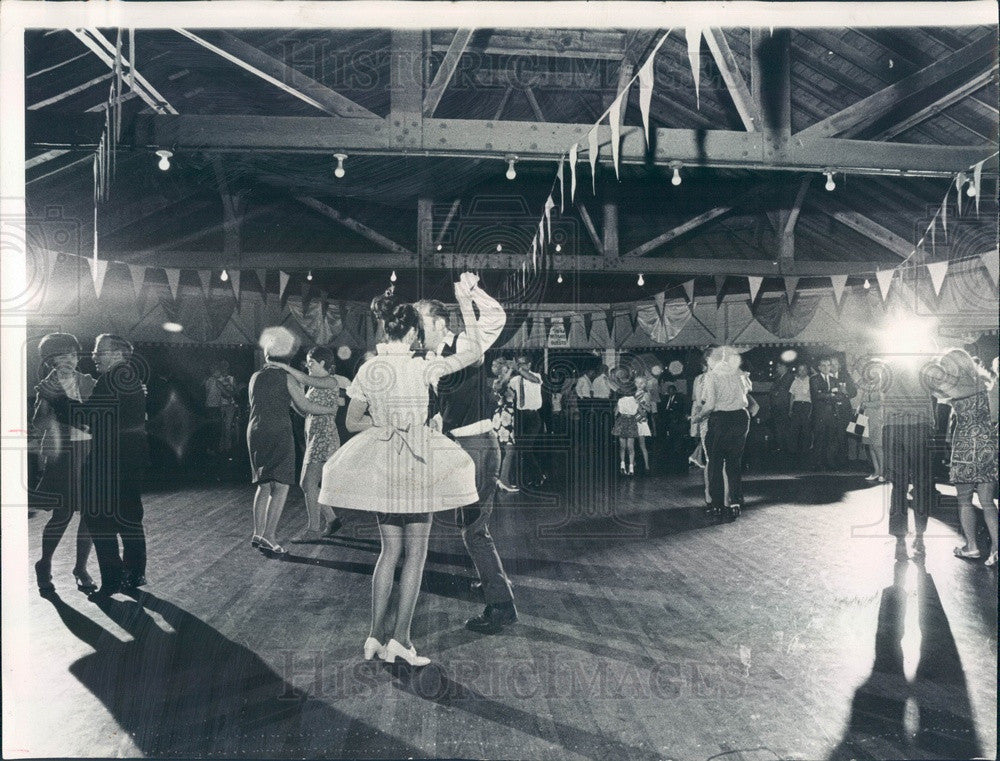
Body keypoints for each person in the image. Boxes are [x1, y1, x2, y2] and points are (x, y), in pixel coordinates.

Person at [316, 276, 490, 664]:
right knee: (416, 553)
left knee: (388, 551)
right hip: (417, 462)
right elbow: (476, 350)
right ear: (412, 332)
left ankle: (374, 637)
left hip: (384, 465)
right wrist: (464, 300)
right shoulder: (424, 366)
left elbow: (352, 422)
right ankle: (402, 640)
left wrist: (385, 426)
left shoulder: (368, 369)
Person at [415, 277, 516, 636]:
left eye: (422, 323)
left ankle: (501, 605)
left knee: (473, 531)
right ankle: (492, 582)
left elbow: (496, 318)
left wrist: (470, 296)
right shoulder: (431, 358)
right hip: (463, 448)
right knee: (470, 527)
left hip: (477, 447)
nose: (416, 330)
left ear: (441, 323)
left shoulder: (462, 341)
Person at [246, 340, 338, 557]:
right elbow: (304, 407)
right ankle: (269, 536)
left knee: (264, 484)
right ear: (287, 358)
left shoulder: (254, 377)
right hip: (278, 431)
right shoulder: (287, 377)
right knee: (281, 486)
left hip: (255, 430)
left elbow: (295, 407)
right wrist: (329, 409)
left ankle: (258, 534)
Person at [80, 334, 149, 596]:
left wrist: (60, 401)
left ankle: (112, 580)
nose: (94, 356)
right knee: (130, 519)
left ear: (118, 353)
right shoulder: (129, 377)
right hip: (130, 460)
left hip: (108, 461)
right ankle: (133, 576)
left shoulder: (111, 379)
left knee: (97, 519)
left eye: (99, 351)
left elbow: (88, 417)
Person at [29, 333, 97, 595]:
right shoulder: (46, 386)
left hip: (91, 450)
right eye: (61, 355)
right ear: (50, 361)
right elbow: (38, 424)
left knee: (90, 513)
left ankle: (81, 568)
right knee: (63, 513)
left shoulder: (88, 381)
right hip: (64, 454)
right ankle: (44, 564)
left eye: (71, 353)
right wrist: (49, 400)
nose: (68, 359)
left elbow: (101, 412)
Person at [930, 349, 998, 567]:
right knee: (988, 502)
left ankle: (972, 546)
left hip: (966, 446)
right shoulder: (986, 381)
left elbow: (933, 387)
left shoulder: (954, 386)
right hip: (987, 443)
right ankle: (997, 547)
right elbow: (995, 415)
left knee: (964, 500)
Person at [881, 355, 937, 560]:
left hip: (893, 427)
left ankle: (899, 539)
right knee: (921, 484)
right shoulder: (925, 365)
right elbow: (935, 392)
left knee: (899, 484)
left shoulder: (887, 366)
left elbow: (882, 395)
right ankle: (920, 537)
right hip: (919, 426)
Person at [692, 346, 756, 521]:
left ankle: (717, 506)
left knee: (715, 463)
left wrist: (698, 417)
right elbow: (748, 392)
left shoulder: (712, 376)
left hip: (721, 420)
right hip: (741, 418)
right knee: (734, 463)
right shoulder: (738, 373)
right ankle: (735, 503)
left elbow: (710, 404)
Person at [292, 346, 343, 541]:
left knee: (308, 483)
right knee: (309, 484)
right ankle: (331, 520)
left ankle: (313, 530)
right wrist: (293, 400)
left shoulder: (329, 381)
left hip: (324, 438)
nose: (308, 366)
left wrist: (288, 372)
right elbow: (306, 410)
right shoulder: (315, 385)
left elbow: (304, 380)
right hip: (316, 437)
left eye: (311, 363)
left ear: (323, 363)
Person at [810, 357, 855, 470]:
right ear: (819, 367)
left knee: (831, 439)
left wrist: (827, 395)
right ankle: (817, 463)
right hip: (820, 414)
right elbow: (816, 395)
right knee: (819, 439)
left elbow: (840, 395)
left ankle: (829, 462)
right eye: (823, 365)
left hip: (833, 414)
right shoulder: (814, 379)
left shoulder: (834, 380)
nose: (826, 368)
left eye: (828, 365)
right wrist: (830, 395)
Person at [509, 354, 546, 488]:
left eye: (522, 364)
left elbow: (534, 379)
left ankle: (538, 475)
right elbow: (507, 387)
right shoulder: (516, 379)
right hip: (520, 416)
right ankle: (527, 477)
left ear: (529, 365)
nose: (520, 366)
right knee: (520, 448)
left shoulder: (536, 376)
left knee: (526, 447)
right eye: (518, 364)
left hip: (533, 417)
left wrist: (517, 369)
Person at [491, 358, 519, 493]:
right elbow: (501, 386)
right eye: (507, 368)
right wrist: (512, 369)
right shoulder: (499, 382)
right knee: (509, 450)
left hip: (506, 418)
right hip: (504, 418)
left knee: (506, 450)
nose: (509, 370)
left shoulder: (505, 382)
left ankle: (501, 479)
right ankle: (503, 480)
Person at [858, 359, 888, 482]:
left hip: (877, 416)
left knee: (877, 445)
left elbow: (882, 402)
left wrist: (867, 404)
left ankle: (883, 473)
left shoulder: (883, 385)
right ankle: (876, 471)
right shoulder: (868, 385)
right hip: (866, 416)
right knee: (870, 445)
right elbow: (863, 400)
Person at [610, 368, 639, 475]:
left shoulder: (620, 400)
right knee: (631, 448)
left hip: (621, 421)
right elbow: (638, 412)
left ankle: (622, 465)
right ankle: (631, 468)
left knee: (622, 447)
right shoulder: (635, 400)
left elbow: (615, 413)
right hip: (631, 421)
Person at [204, 360, 236, 456]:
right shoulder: (217, 381)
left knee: (212, 428)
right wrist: (235, 392)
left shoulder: (208, 380)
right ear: (216, 371)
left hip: (209, 407)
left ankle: (210, 449)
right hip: (215, 407)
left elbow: (207, 393)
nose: (221, 371)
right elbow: (227, 393)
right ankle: (215, 450)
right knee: (216, 429)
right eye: (219, 370)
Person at [788, 363, 813, 463]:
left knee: (806, 430)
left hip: (807, 406)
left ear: (807, 371)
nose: (802, 372)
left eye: (804, 370)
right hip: (797, 406)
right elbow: (792, 396)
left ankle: (805, 453)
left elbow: (813, 397)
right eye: (800, 370)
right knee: (794, 430)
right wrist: (790, 409)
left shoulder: (811, 380)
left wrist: (811, 410)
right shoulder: (795, 381)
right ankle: (793, 453)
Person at [769, 363, 794, 455]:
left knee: (784, 428)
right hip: (777, 407)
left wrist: (774, 393)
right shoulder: (779, 377)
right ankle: (781, 447)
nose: (777, 368)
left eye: (779, 367)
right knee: (779, 428)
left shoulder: (789, 377)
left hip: (784, 406)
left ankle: (786, 449)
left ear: (785, 367)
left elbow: (781, 392)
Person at [633, 375, 653, 473]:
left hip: (641, 421)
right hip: (632, 420)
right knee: (631, 445)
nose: (640, 385)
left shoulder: (646, 394)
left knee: (642, 445)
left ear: (644, 384)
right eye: (637, 382)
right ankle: (632, 464)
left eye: (642, 383)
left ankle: (647, 465)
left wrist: (640, 404)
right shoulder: (632, 394)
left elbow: (649, 409)